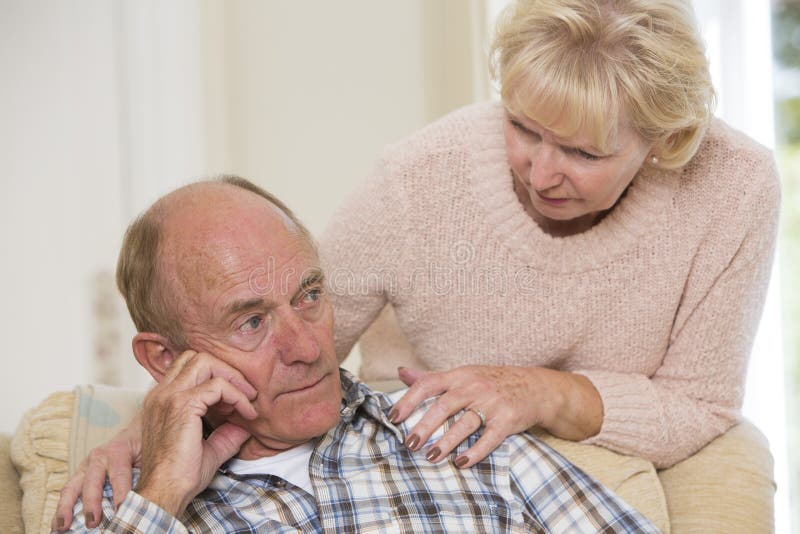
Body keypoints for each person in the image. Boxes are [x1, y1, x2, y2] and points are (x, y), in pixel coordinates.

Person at [55, 0, 780, 528]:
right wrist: (151, 456)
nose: (539, 172)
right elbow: (287, 327)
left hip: (486, 440)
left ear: (663, 142)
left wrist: (542, 393)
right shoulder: (421, 177)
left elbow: (703, 405)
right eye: (522, 127)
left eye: (585, 152)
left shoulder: (732, 185)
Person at [58, 178, 657, 532]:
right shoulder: (116, 508)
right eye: (252, 321)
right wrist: (165, 489)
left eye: (310, 295)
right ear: (165, 360)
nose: (308, 345)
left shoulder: (463, 437)